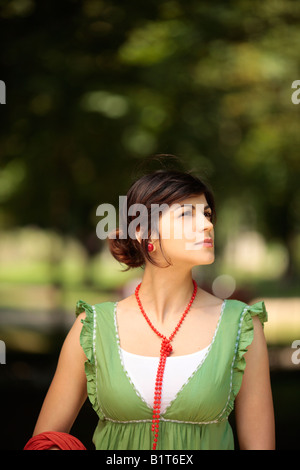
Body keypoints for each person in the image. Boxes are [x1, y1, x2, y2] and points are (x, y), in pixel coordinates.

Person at [25, 166, 275, 450]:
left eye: (206, 214)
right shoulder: (92, 328)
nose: (207, 225)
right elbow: (43, 442)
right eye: (187, 215)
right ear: (144, 231)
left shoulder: (241, 325)